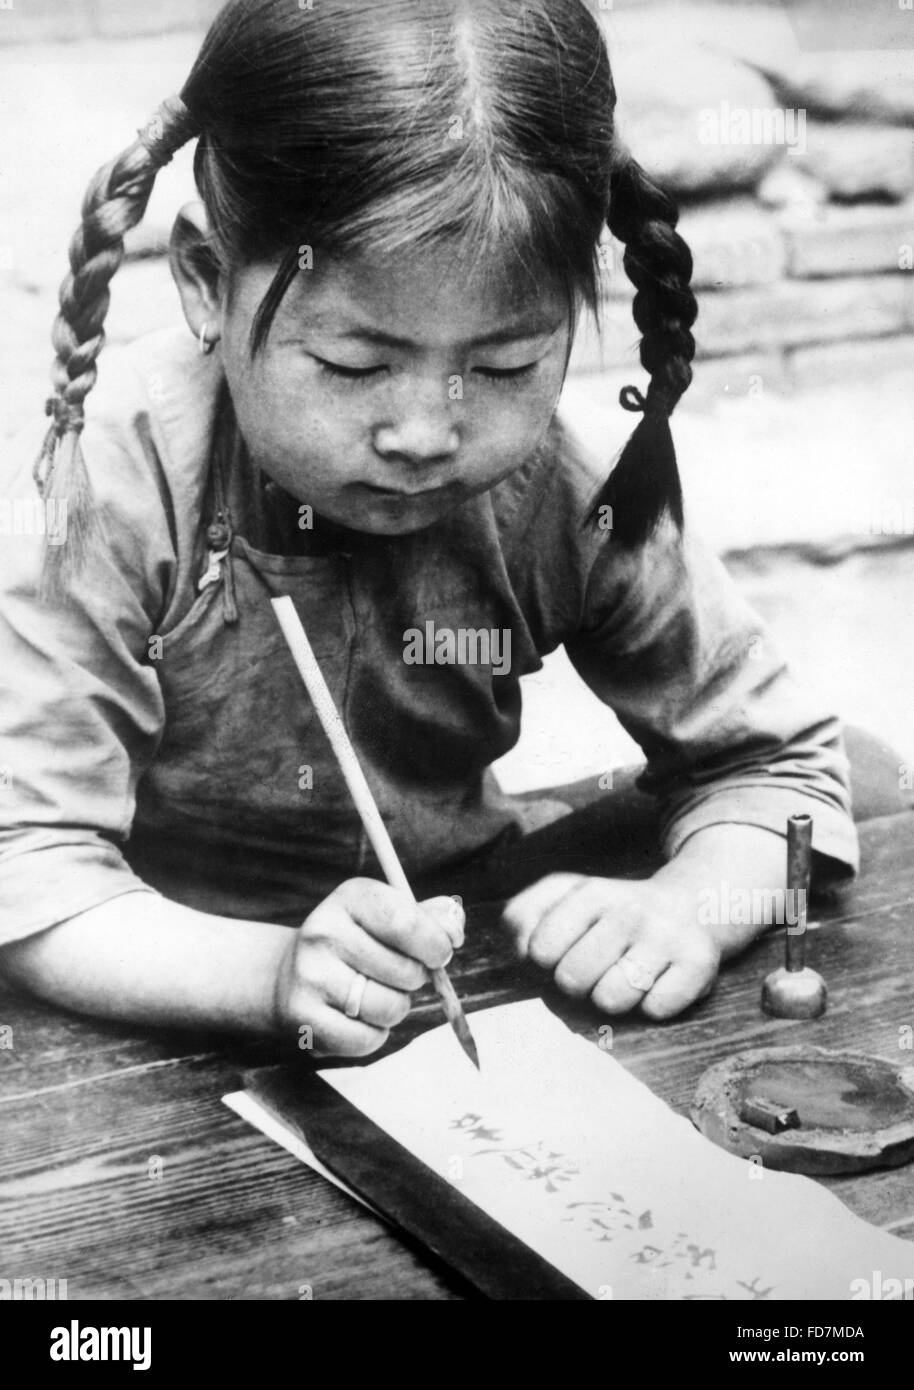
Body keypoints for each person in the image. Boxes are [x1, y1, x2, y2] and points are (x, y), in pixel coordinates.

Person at [0, 0, 865, 1056]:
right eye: (355, 365)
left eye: (502, 367)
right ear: (206, 283)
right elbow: (30, 867)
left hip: (457, 969)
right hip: (143, 1001)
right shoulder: (102, 484)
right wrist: (269, 974)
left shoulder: (569, 487)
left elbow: (773, 766)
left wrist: (693, 901)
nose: (423, 433)